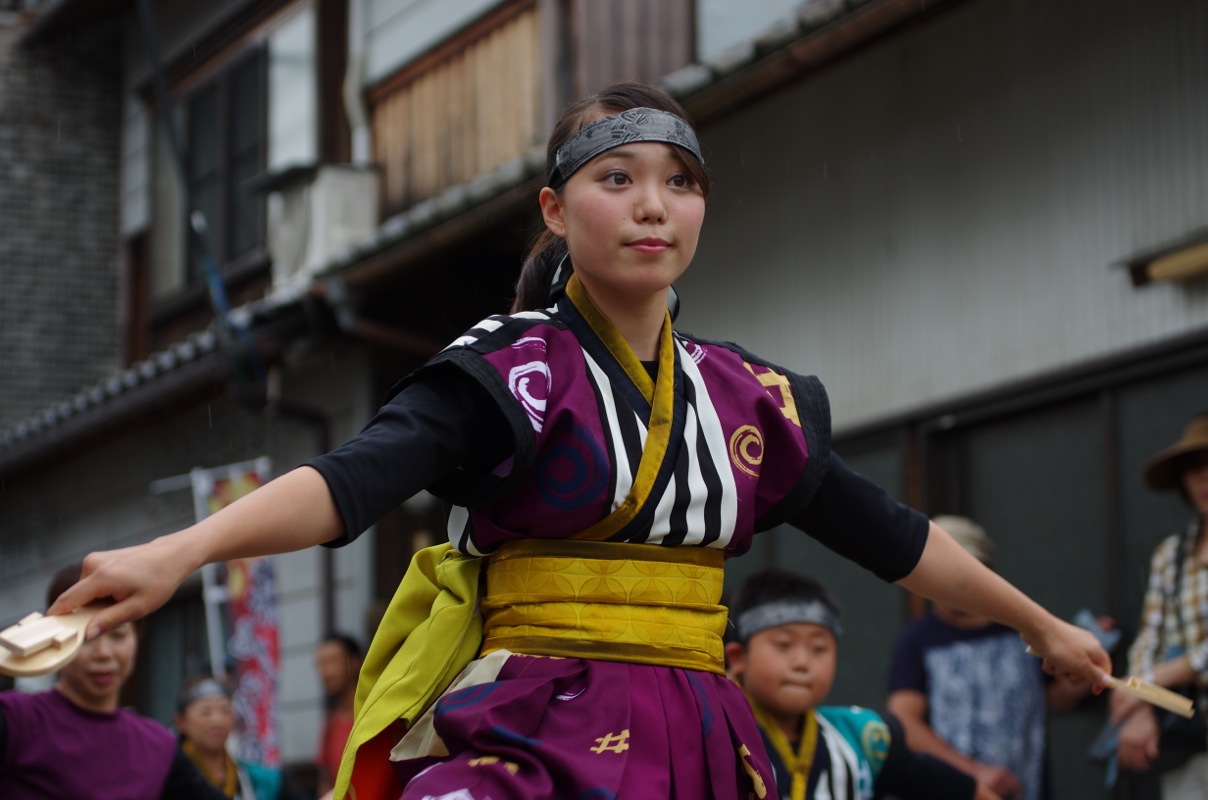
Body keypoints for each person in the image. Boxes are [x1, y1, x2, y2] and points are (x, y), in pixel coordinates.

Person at [50, 82, 1111, 800]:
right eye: (617, 179)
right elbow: (352, 478)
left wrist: (1035, 625)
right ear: (555, 210)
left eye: (678, 181)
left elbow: (887, 532)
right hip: (535, 712)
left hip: (700, 724)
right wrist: (175, 553)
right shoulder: (510, 367)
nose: (652, 205)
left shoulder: (746, 396)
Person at [725, 567, 1000, 800]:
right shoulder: (716, 736)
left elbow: (960, 790)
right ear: (738, 657)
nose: (802, 662)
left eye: (819, 648)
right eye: (783, 645)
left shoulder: (865, 738)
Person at [885, 515, 1095, 800]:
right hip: (952, 791)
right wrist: (971, 771)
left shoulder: (1021, 627)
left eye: (960, 570)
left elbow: (1050, 699)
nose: (949, 581)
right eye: (937, 572)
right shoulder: (917, 639)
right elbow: (905, 722)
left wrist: (1088, 669)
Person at [0, 563, 224, 799]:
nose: (104, 653)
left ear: (137, 636)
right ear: (51, 640)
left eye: (118, 634)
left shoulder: (158, 746)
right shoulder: (16, 720)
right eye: (85, 637)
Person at [1111, 413, 1208, 797]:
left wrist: (1156, 679)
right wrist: (1142, 706)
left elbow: (1156, 672)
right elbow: (1148, 640)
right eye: (1194, 469)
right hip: (1192, 737)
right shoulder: (1172, 554)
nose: (1203, 478)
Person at [175, 674, 295, 799]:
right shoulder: (170, 776)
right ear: (180, 721)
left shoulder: (259, 780)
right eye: (206, 713)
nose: (218, 720)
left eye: (225, 710)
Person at [314, 634, 363, 796]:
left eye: (332, 662)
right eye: (320, 665)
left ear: (354, 662)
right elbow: (326, 782)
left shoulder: (374, 715)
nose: (325, 672)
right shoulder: (330, 723)